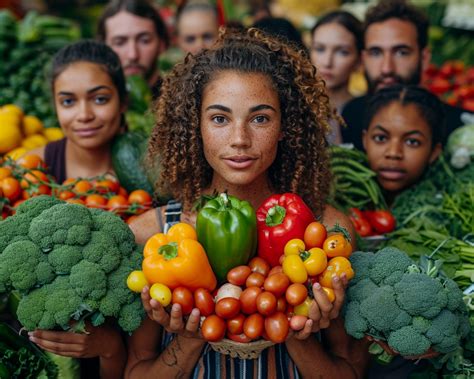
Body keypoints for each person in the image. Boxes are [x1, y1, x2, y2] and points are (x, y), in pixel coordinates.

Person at [125, 28, 369, 379]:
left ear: (285, 126)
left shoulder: (328, 233)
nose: (240, 139)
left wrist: (292, 331)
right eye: (220, 118)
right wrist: (190, 339)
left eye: (260, 118)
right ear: (197, 125)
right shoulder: (151, 235)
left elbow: (353, 372)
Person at [341, 0, 472, 150]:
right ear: (363, 59)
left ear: (424, 58)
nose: (386, 68)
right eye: (376, 53)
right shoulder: (352, 115)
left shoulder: (460, 128)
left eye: (401, 52)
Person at [27, 40, 127, 185]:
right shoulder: (30, 167)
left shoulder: (154, 167)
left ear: (123, 102)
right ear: (55, 106)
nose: (84, 115)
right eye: (68, 102)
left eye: (100, 99)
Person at [363, 85, 444, 206]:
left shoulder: (447, 209)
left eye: (412, 142)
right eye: (381, 138)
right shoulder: (337, 200)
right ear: (365, 140)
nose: (393, 153)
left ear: (434, 152)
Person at [97, 0, 170, 99]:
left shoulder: (181, 100)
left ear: (162, 44)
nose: (133, 55)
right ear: (103, 47)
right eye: (120, 42)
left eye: (144, 40)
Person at [310, 11, 363, 144]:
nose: (327, 62)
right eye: (320, 49)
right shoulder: (293, 108)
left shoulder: (366, 113)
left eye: (342, 52)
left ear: (359, 60)